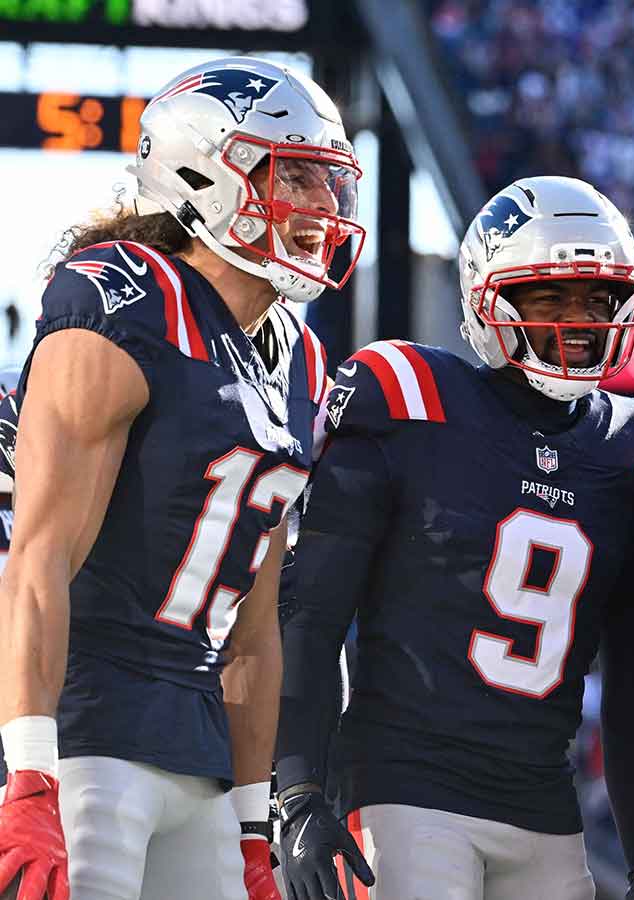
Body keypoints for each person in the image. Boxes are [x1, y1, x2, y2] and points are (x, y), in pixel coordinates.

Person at [0, 55, 361, 900]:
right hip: (85, 731)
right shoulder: (123, 300)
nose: (320, 205)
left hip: (198, 753)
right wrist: (29, 777)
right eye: (293, 174)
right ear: (202, 171)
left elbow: (256, 629)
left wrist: (251, 823)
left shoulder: (301, 360)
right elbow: (38, 561)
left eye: (325, 180)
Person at [272, 176, 634, 900]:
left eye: (596, 297)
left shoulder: (633, 445)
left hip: (546, 810)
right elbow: (311, 615)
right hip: (405, 789)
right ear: (489, 298)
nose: (577, 319)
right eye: (549, 296)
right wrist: (298, 789)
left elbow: (633, 686)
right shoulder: (407, 396)